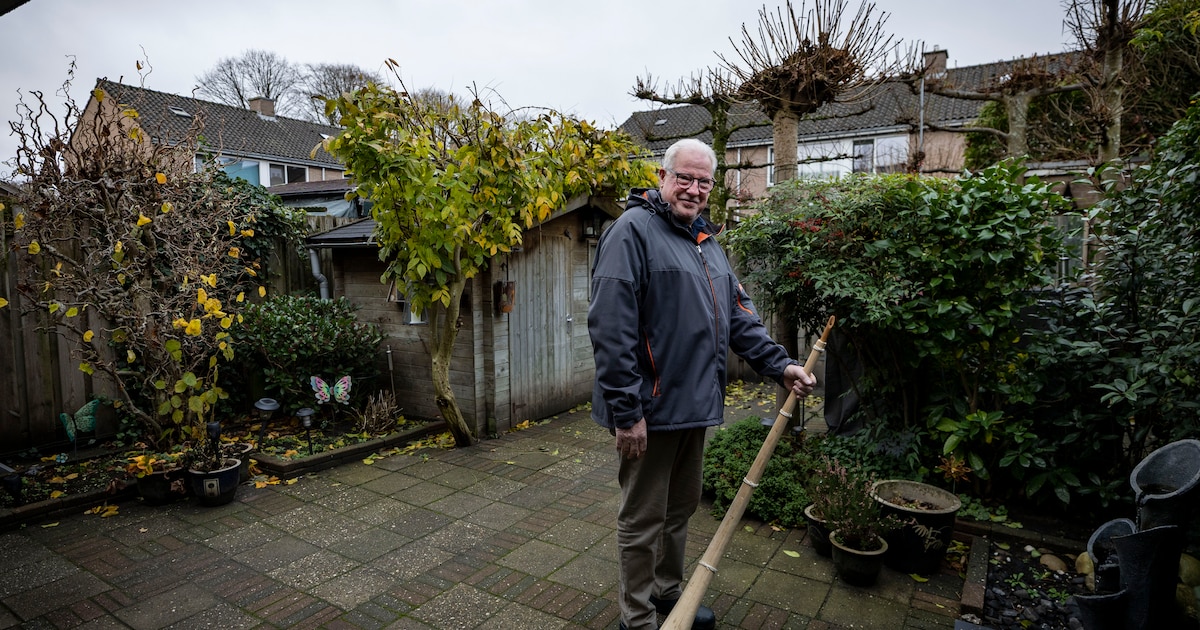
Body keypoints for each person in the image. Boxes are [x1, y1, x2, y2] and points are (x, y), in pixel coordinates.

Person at [588, 138, 816, 630]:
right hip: (648, 409)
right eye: (684, 178)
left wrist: (780, 365)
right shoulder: (632, 233)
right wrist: (627, 414)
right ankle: (637, 617)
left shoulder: (706, 242)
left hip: (694, 405)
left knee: (681, 508)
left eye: (704, 181)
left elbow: (738, 316)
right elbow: (611, 328)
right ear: (662, 178)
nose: (693, 189)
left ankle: (668, 595)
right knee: (643, 517)